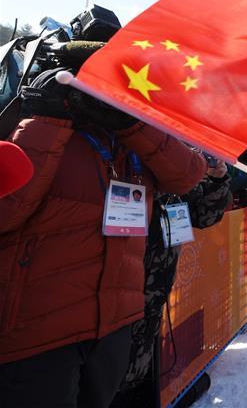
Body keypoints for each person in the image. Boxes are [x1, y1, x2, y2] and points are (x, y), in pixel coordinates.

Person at [0, 68, 206, 407]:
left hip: (113, 326)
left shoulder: (132, 139)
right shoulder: (36, 117)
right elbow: (7, 209)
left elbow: (188, 174)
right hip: (39, 331)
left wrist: (132, 122)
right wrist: (48, 115)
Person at [110, 157, 231, 408]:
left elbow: (206, 215)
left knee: (137, 377)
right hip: (110, 303)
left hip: (152, 302)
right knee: (109, 381)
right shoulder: (118, 160)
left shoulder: (178, 173)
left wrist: (217, 179)